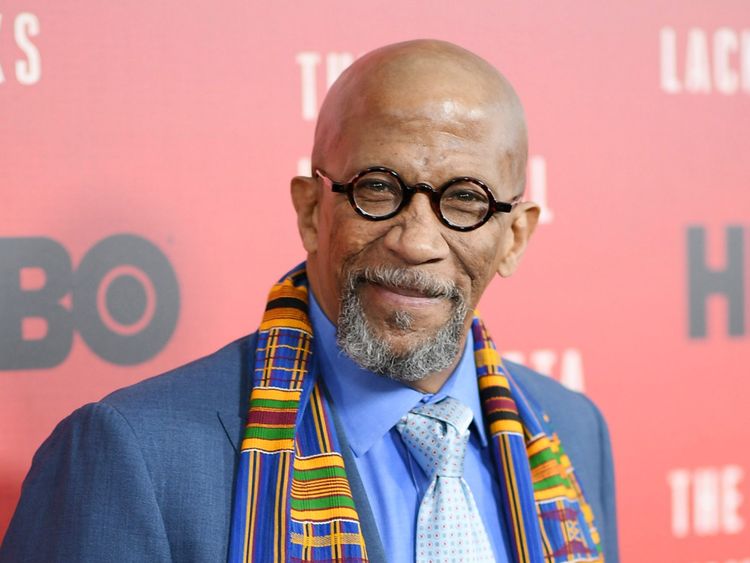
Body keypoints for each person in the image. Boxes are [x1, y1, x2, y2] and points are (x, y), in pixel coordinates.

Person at [1, 39, 619, 562]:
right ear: (310, 211)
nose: (416, 242)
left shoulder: (572, 434)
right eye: (378, 188)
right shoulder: (133, 454)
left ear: (514, 238)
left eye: (465, 200)